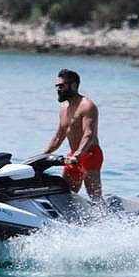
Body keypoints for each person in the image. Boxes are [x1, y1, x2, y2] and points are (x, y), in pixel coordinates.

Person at [44, 68, 102, 201]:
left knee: (95, 197)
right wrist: (42, 156)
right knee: (65, 194)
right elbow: (58, 138)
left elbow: (89, 133)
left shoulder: (87, 106)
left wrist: (78, 154)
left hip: (90, 154)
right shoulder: (64, 110)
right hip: (73, 156)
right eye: (57, 86)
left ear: (74, 85)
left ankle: (103, 219)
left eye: (62, 86)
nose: (58, 89)